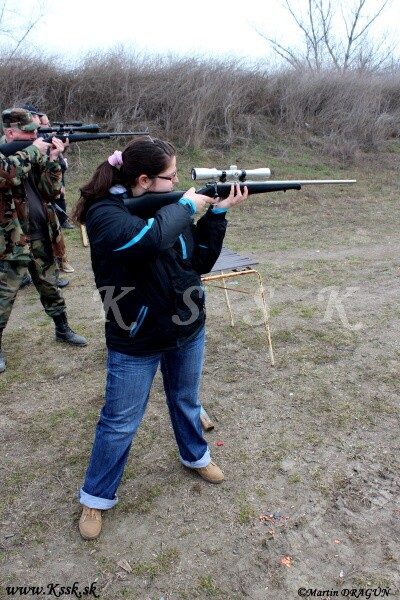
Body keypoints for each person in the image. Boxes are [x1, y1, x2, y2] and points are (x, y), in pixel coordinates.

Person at [72, 137, 248, 540]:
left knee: (186, 399)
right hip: (136, 332)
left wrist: (217, 213)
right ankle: (96, 497)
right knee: (119, 422)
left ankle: (195, 456)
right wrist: (187, 206)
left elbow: (199, 261)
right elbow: (147, 240)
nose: (178, 184)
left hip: (187, 324)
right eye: (171, 176)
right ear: (144, 180)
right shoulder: (105, 215)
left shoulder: (168, 205)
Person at [0, 108, 87, 374]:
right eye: (28, 132)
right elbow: (8, 176)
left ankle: (62, 329)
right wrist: (34, 150)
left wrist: (53, 160)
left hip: (40, 233)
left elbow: (51, 192)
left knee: (50, 287)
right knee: (3, 297)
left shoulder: (32, 153)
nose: (34, 136)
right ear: (10, 132)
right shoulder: (12, 155)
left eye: (35, 131)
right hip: (10, 240)